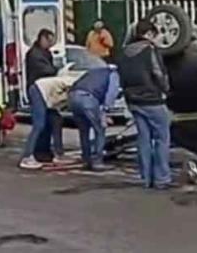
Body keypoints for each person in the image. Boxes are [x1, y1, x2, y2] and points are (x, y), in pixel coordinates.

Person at [118, 20, 173, 189]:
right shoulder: (149, 50)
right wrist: (166, 89)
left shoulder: (124, 52)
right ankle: (162, 178)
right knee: (162, 138)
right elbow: (157, 72)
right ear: (149, 34)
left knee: (143, 139)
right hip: (152, 99)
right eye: (155, 35)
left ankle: (145, 178)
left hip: (133, 101)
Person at [19, 29, 66, 170]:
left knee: (54, 120)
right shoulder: (34, 54)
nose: (51, 45)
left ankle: (49, 152)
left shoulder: (46, 53)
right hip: (38, 90)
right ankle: (28, 155)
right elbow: (45, 70)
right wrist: (56, 70)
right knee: (39, 124)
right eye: (49, 41)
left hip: (47, 91)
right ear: (42, 39)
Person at [68, 63, 121, 171]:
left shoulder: (94, 70)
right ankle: (98, 161)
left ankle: (86, 160)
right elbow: (111, 93)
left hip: (73, 97)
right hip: (88, 98)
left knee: (84, 131)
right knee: (100, 129)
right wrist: (106, 111)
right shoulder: (114, 75)